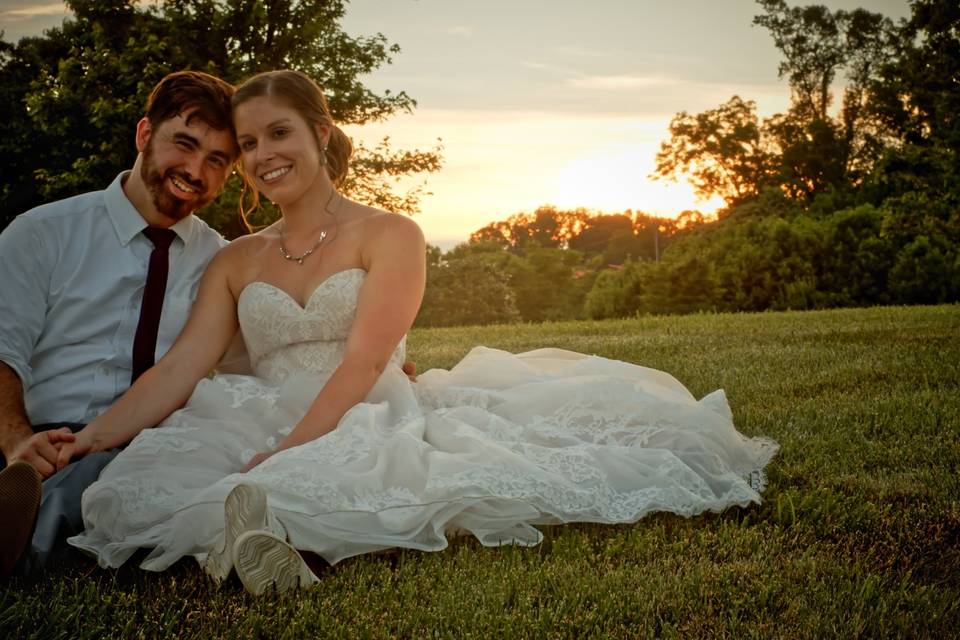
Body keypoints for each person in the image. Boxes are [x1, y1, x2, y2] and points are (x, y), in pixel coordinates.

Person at [66, 69, 779, 596]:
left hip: (367, 401)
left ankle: (267, 535)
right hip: (257, 402)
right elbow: (183, 367)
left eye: (277, 133)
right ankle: (251, 542)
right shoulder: (235, 259)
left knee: (354, 464)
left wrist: (283, 452)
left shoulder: (392, 234)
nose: (261, 155)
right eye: (247, 144)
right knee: (160, 482)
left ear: (319, 133)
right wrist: (89, 437)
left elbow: (365, 359)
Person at [0, 70, 239, 577]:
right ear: (145, 135)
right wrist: (18, 441)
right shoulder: (43, 233)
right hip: (40, 438)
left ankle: (28, 534)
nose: (195, 170)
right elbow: (3, 349)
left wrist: (365, 367)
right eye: (185, 144)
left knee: (129, 481)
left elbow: (264, 350)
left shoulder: (224, 263)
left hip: (151, 444)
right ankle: (28, 507)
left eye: (216, 160)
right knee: (79, 486)